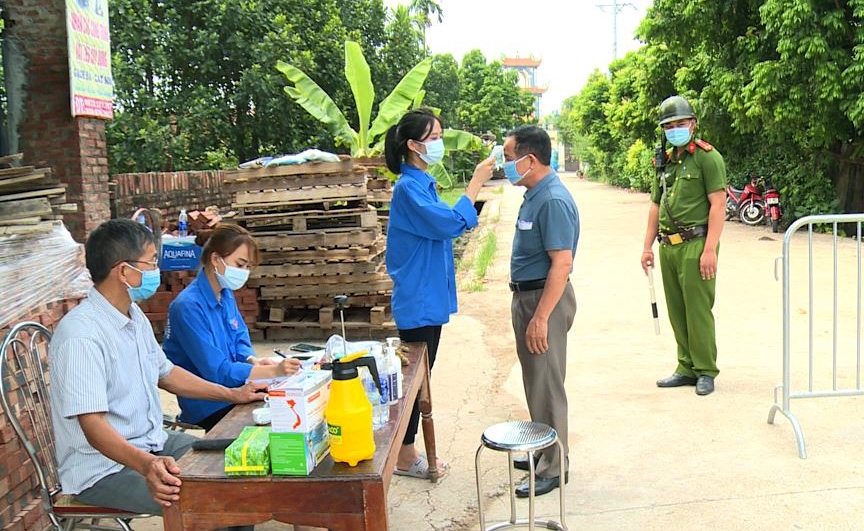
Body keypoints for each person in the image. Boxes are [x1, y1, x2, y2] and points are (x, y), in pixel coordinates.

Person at [49, 218, 266, 523]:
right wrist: (147, 464)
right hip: (104, 468)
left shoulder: (132, 315)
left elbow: (166, 373)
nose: (157, 270)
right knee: (211, 499)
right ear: (124, 271)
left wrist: (232, 394)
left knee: (241, 462)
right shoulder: (81, 336)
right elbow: (93, 425)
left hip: (151, 442)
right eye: (151, 262)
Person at [384, 108, 495, 478]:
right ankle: (404, 454)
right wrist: (477, 181)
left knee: (422, 379)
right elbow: (449, 224)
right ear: (414, 145)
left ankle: (407, 452)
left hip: (428, 296)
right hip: (417, 299)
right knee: (415, 383)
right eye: (433, 137)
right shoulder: (408, 189)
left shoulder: (422, 184)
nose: (439, 143)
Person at [162, 224, 300, 431]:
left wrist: (252, 360)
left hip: (238, 388)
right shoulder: (187, 307)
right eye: (240, 264)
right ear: (216, 259)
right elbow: (217, 371)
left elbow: (239, 338)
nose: (243, 273)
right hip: (210, 404)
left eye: (247, 267)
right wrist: (272, 370)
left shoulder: (224, 293)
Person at [504, 125, 579, 498]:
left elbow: (561, 264)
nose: (505, 166)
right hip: (529, 297)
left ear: (529, 160)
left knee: (548, 385)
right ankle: (544, 448)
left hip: (542, 300)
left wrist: (540, 317)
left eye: (508, 158)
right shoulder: (534, 194)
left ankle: (554, 466)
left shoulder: (551, 200)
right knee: (537, 381)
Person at [640, 95, 726, 396]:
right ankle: (685, 366)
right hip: (668, 246)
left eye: (680, 123)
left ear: (693, 124)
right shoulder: (664, 162)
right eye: (669, 126)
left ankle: (705, 370)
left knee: (698, 309)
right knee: (676, 309)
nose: (675, 129)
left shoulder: (707, 158)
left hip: (696, 243)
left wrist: (710, 250)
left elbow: (718, 205)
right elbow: (655, 205)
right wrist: (647, 246)